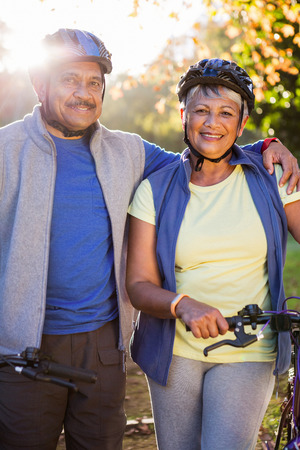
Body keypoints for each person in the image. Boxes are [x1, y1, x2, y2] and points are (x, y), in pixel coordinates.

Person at [0, 29, 297, 450]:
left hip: (102, 345)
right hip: (22, 349)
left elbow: (210, 150)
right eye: (69, 79)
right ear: (40, 84)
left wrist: (268, 145)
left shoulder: (129, 153)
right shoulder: (5, 151)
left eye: (94, 83)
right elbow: (200, 143)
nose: (83, 93)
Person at [126, 58, 300, 450]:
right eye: (201, 110)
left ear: (240, 124)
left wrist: (273, 145)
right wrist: (183, 305)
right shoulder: (155, 189)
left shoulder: (271, 176)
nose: (212, 123)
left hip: (250, 348)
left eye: (225, 112)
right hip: (173, 349)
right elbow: (138, 285)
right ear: (184, 116)